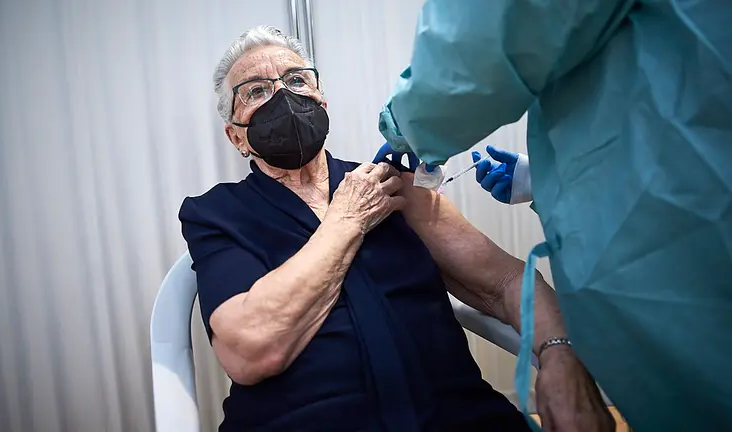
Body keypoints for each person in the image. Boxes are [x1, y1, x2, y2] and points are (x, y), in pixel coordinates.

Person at [179, 26, 612, 431]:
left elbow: (504, 281)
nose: (283, 98)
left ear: (322, 101)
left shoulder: (392, 186)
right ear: (235, 137)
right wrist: (347, 218)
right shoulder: (218, 214)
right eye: (256, 91)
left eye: (296, 81)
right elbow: (251, 348)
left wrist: (562, 356)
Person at [377, 1, 732, 430]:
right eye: (266, 87)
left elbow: (493, 30)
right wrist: (543, 178)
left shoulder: (373, 186)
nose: (285, 95)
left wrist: (408, 124)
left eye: (298, 78)